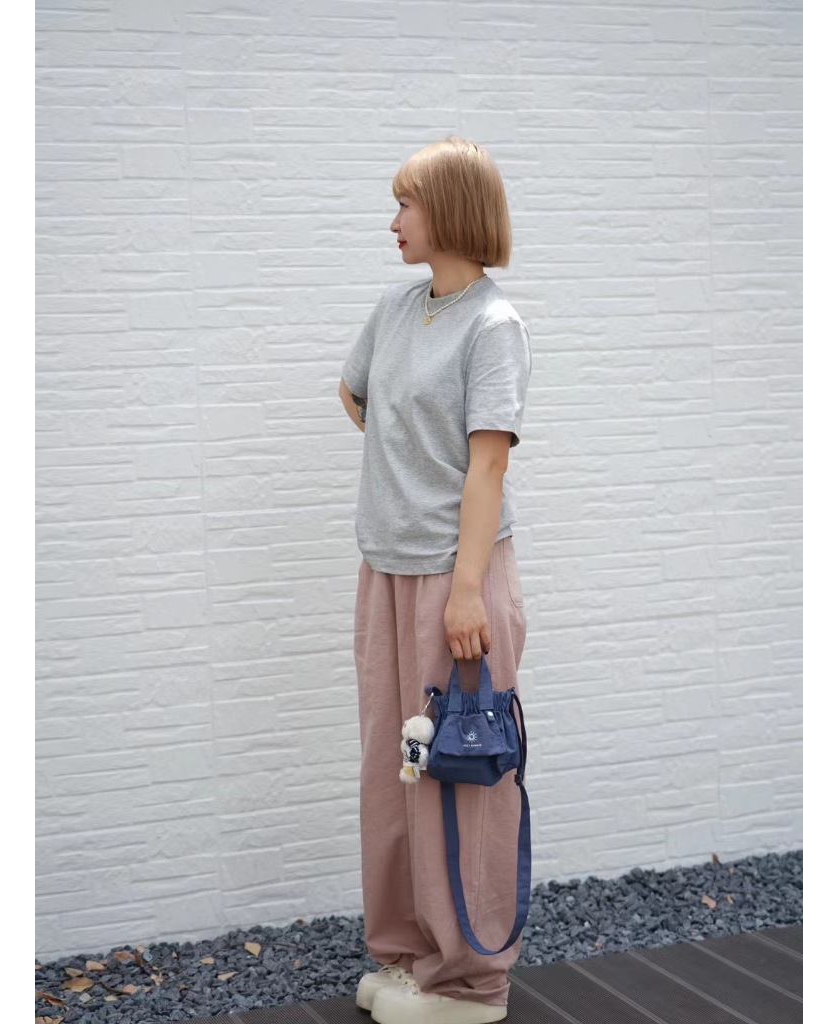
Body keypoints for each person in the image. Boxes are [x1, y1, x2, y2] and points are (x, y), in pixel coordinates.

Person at [339, 136, 532, 1024]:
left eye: (406, 203)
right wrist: (404, 465)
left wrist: (465, 591)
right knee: (395, 771)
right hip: (385, 570)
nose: (393, 220)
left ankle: (470, 981)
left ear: (449, 210)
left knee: (460, 775)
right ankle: (408, 955)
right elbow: (355, 393)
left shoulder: (494, 326)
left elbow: (487, 467)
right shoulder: (395, 307)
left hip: (458, 579)